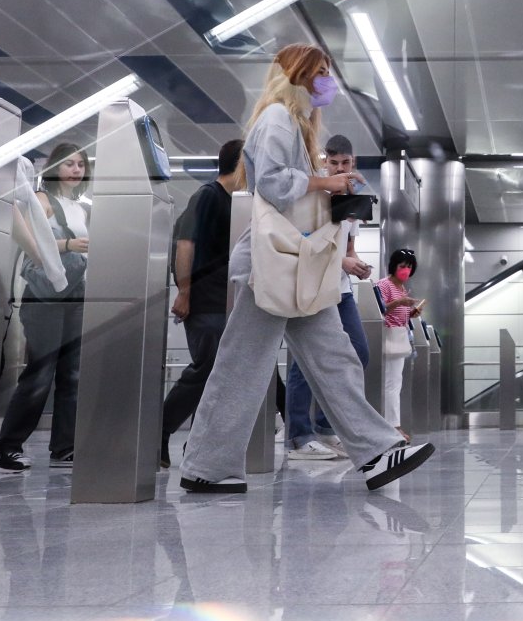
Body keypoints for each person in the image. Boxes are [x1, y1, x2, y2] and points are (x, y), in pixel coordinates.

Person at [179, 42, 433, 493]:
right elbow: (275, 185)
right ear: (297, 73)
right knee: (243, 364)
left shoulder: (294, 123)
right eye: (318, 72)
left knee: (334, 357)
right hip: (272, 266)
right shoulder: (277, 118)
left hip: (293, 265)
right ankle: (205, 465)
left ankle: (376, 451)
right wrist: (325, 181)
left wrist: (328, 191)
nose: (326, 82)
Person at [0, 142, 91, 471]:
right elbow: (29, 240)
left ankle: (64, 446)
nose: (75, 170)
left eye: (80, 164)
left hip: (75, 295)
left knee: (72, 374)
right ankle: (8, 444)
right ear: (53, 168)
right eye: (68, 164)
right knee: (41, 373)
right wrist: (66, 244)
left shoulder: (80, 206)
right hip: (46, 297)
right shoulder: (41, 200)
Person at [285, 134, 375, 460]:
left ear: (353, 164)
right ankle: (298, 435)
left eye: (346, 163)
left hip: (341, 289)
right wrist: (344, 261)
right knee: (304, 361)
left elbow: (347, 248)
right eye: (334, 163)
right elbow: (309, 244)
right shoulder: (315, 199)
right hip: (314, 285)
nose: (340, 169)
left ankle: (325, 426)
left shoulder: (351, 205)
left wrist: (355, 264)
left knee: (358, 352)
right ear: (326, 163)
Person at [160, 138, 244, 467]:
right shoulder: (207, 196)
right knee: (205, 369)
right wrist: (183, 291)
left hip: (224, 302)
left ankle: (196, 447)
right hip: (204, 302)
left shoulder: (235, 201)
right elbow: (185, 244)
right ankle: (159, 429)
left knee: (216, 377)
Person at [375, 248, 420, 439]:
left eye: (409, 267)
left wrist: (411, 313)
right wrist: (401, 302)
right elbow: (379, 309)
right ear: (394, 266)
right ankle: (393, 426)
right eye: (402, 266)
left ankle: (391, 424)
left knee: (395, 383)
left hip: (399, 336)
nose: (406, 271)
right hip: (388, 336)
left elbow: (396, 312)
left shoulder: (401, 287)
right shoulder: (384, 285)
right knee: (392, 384)